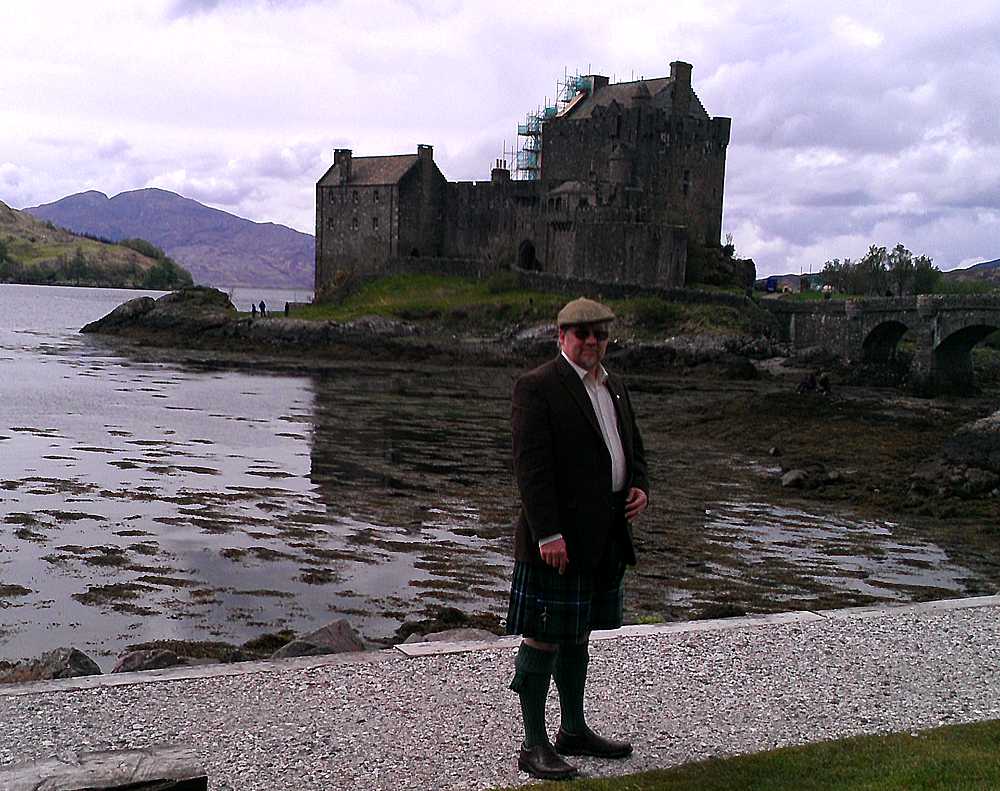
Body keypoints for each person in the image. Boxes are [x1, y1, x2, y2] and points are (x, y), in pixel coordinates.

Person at [506, 296, 650, 780]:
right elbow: (532, 470)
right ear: (561, 336)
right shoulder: (538, 387)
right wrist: (548, 533)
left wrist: (640, 487)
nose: (592, 342)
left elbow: (632, 447)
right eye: (582, 333)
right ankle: (533, 744)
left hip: (605, 534)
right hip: (558, 541)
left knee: (578, 634)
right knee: (543, 636)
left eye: (600, 334)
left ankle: (573, 729)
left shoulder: (615, 386)